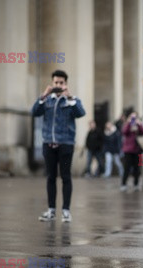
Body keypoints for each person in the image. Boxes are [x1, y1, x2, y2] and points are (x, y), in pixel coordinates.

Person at [31, 70, 85, 222]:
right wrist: (43, 95)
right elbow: (34, 112)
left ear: (66, 84)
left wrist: (70, 97)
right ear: (52, 83)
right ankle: (51, 210)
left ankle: (66, 211)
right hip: (48, 143)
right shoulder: (47, 100)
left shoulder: (71, 100)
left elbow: (81, 113)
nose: (58, 85)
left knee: (66, 177)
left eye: (61, 83)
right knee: (50, 177)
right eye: (56, 82)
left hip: (66, 144)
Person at [120, 112, 143, 191]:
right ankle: (123, 184)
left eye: (135, 117)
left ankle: (136, 184)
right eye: (132, 117)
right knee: (126, 168)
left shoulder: (138, 125)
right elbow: (124, 132)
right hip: (128, 150)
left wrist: (139, 124)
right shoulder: (127, 124)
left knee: (137, 168)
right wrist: (128, 123)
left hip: (137, 150)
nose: (133, 119)